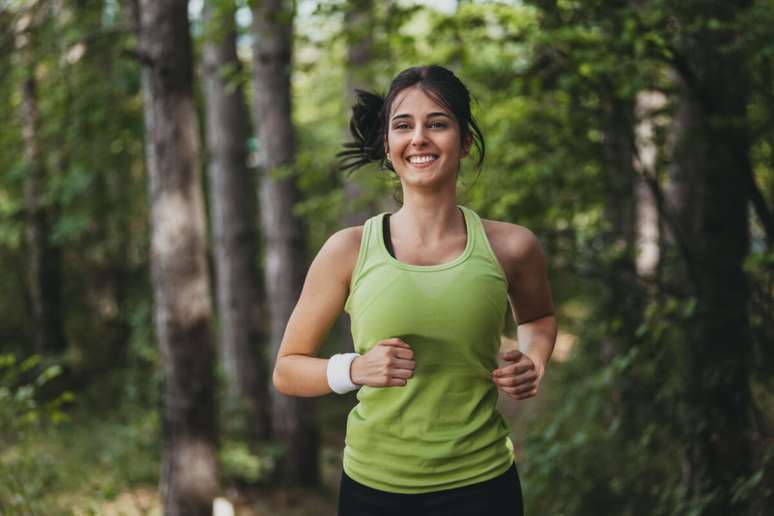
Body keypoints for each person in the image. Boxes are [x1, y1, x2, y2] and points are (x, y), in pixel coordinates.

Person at [272, 65, 558, 516]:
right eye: (404, 125)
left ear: (464, 142)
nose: (419, 137)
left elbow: (538, 318)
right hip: (374, 490)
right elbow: (287, 370)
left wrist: (534, 361)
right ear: (388, 144)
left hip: (483, 486)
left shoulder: (513, 246)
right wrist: (355, 369)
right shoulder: (347, 250)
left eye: (438, 123)